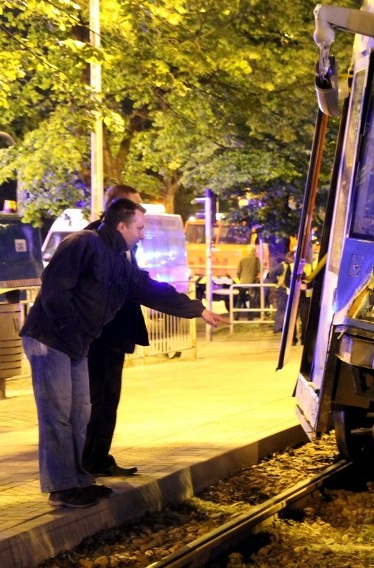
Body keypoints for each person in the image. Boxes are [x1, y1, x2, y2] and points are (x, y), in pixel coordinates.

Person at [20, 198, 226, 509]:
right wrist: (74, 327)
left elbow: (150, 289)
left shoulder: (118, 258)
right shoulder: (83, 244)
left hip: (76, 341)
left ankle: (78, 479)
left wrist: (197, 310)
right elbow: (54, 290)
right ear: (122, 226)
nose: (143, 234)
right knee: (58, 415)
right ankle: (61, 486)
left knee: (80, 414)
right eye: (140, 227)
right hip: (50, 339)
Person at [81, 184, 146, 478]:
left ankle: (99, 457)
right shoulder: (94, 239)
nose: (141, 227)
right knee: (99, 398)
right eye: (135, 207)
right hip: (99, 335)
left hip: (114, 334)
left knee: (109, 398)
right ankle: (89, 460)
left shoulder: (124, 243)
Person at [236, 245, 261, 320]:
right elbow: (259, 271)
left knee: (240, 299)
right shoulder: (256, 260)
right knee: (252, 299)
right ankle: (250, 317)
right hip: (252, 283)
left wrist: (241, 279)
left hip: (242, 282)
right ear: (254, 251)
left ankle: (236, 316)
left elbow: (238, 272)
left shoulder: (242, 260)